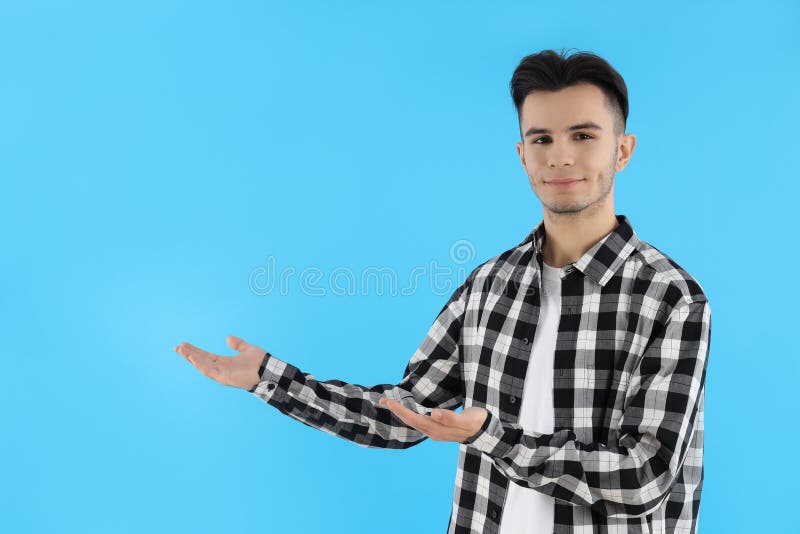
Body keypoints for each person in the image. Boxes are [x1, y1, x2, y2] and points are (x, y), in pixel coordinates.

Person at [175, 48, 712, 534]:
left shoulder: (671, 299)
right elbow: (404, 416)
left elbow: (645, 476)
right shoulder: (489, 286)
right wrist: (271, 379)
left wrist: (491, 436)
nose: (561, 157)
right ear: (522, 155)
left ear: (623, 150)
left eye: (584, 135)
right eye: (541, 138)